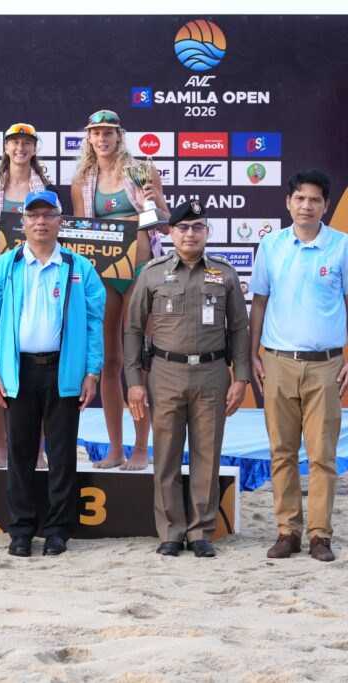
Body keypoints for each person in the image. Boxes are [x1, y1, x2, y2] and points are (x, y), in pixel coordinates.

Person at [0, 190, 105, 557]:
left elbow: (94, 323)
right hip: (18, 371)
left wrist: (92, 372)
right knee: (20, 453)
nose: (40, 222)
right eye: (33, 215)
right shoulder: (4, 266)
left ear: (60, 222)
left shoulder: (79, 267)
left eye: (48, 215)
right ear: (23, 222)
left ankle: (58, 531)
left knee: (63, 454)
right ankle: (21, 531)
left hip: (63, 371)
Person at [124, 200, 250, 558]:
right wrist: (134, 380)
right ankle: (171, 531)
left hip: (212, 373)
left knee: (207, 455)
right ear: (171, 232)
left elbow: (239, 329)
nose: (190, 233)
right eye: (183, 227)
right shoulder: (152, 273)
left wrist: (240, 377)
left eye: (197, 227)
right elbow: (133, 329)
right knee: (165, 455)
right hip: (165, 373)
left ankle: (200, 532)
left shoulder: (224, 274)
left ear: (207, 231)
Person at [249, 169, 348, 562]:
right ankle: (287, 531)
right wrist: (252, 354)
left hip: (326, 365)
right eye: (300, 198)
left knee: (322, 455)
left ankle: (320, 535)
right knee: (282, 452)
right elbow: (259, 301)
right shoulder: (271, 245)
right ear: (288, 202)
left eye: (315, 200)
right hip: (277, 362)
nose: (307, 206)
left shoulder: (341, 245)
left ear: (326, 205)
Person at [71, 109, 168, 471]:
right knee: (108, 360)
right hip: (104, 273)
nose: (102, 138)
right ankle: (115, 449)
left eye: (108, 132)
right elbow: (81, 231)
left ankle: (141, 449)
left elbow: (167, 224)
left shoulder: (142, 170)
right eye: (96, 132)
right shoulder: (82, 181)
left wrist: (147, 206)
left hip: (142, 269)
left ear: (119, 135)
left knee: (140, 357)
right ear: (89, 137)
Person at [0, 122, 55, 469]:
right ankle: (1, 448)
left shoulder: (47, 188)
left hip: (39, 281)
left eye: (26, 142)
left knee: (41, 369)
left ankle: (38, 450)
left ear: (34, 148)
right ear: (5, 147)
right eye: (14, 142)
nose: (20, 148)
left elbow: (55, 234)